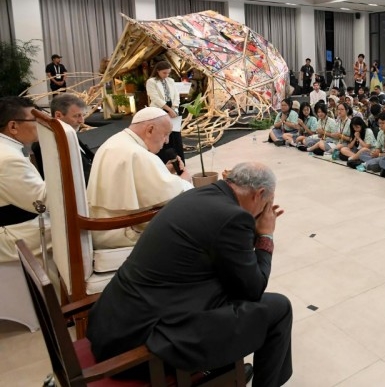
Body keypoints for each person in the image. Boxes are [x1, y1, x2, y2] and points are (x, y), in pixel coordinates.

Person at [87, 162, 292, 387]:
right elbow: (253, 289)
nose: (265, 210)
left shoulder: (200, 195)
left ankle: (222, 367)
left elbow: (230, 259)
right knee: (279, 309)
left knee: (227, 288)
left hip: (113, 326)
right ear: (259, 194)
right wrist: (266, 236)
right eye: (266, 203)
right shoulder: (232, 217)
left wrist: (250, 229)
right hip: (141, 345)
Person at [87, 107, 192, 249]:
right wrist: (184, 180)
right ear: (150, 129)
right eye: (165, 134)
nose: (167, 141)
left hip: (102, 228)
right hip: (121, 232)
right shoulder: (136, 153)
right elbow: (174, 195)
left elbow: (128, 183)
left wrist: (163, 171)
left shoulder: (117, 141)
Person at [0, 96, 47, 262]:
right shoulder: (8, 158)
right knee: (78, 233)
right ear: (13, 126)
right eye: (34, 120)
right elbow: (41, 201)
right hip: (14, 233)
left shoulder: (7, 148)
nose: (39, 126)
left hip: (18, 221)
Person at [31, 93, 94, 183]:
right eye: (76, 116)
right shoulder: (47, 144)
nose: (81, 121)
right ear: (58, 115)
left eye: (83, 115)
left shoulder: (69, 133)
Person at [145, 60, 184, 163]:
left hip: (173, 108)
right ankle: (164, 162)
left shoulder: (170, 80)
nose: (166, 75)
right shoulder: (151, 82)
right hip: (159, 109)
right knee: (163, 136)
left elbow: (176, 95)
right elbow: (155, 98)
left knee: (175, 135)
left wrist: (174, 108)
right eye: (164, 73)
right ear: (158, 71)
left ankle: (179, 161)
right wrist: (169, 110)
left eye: (168, 73)